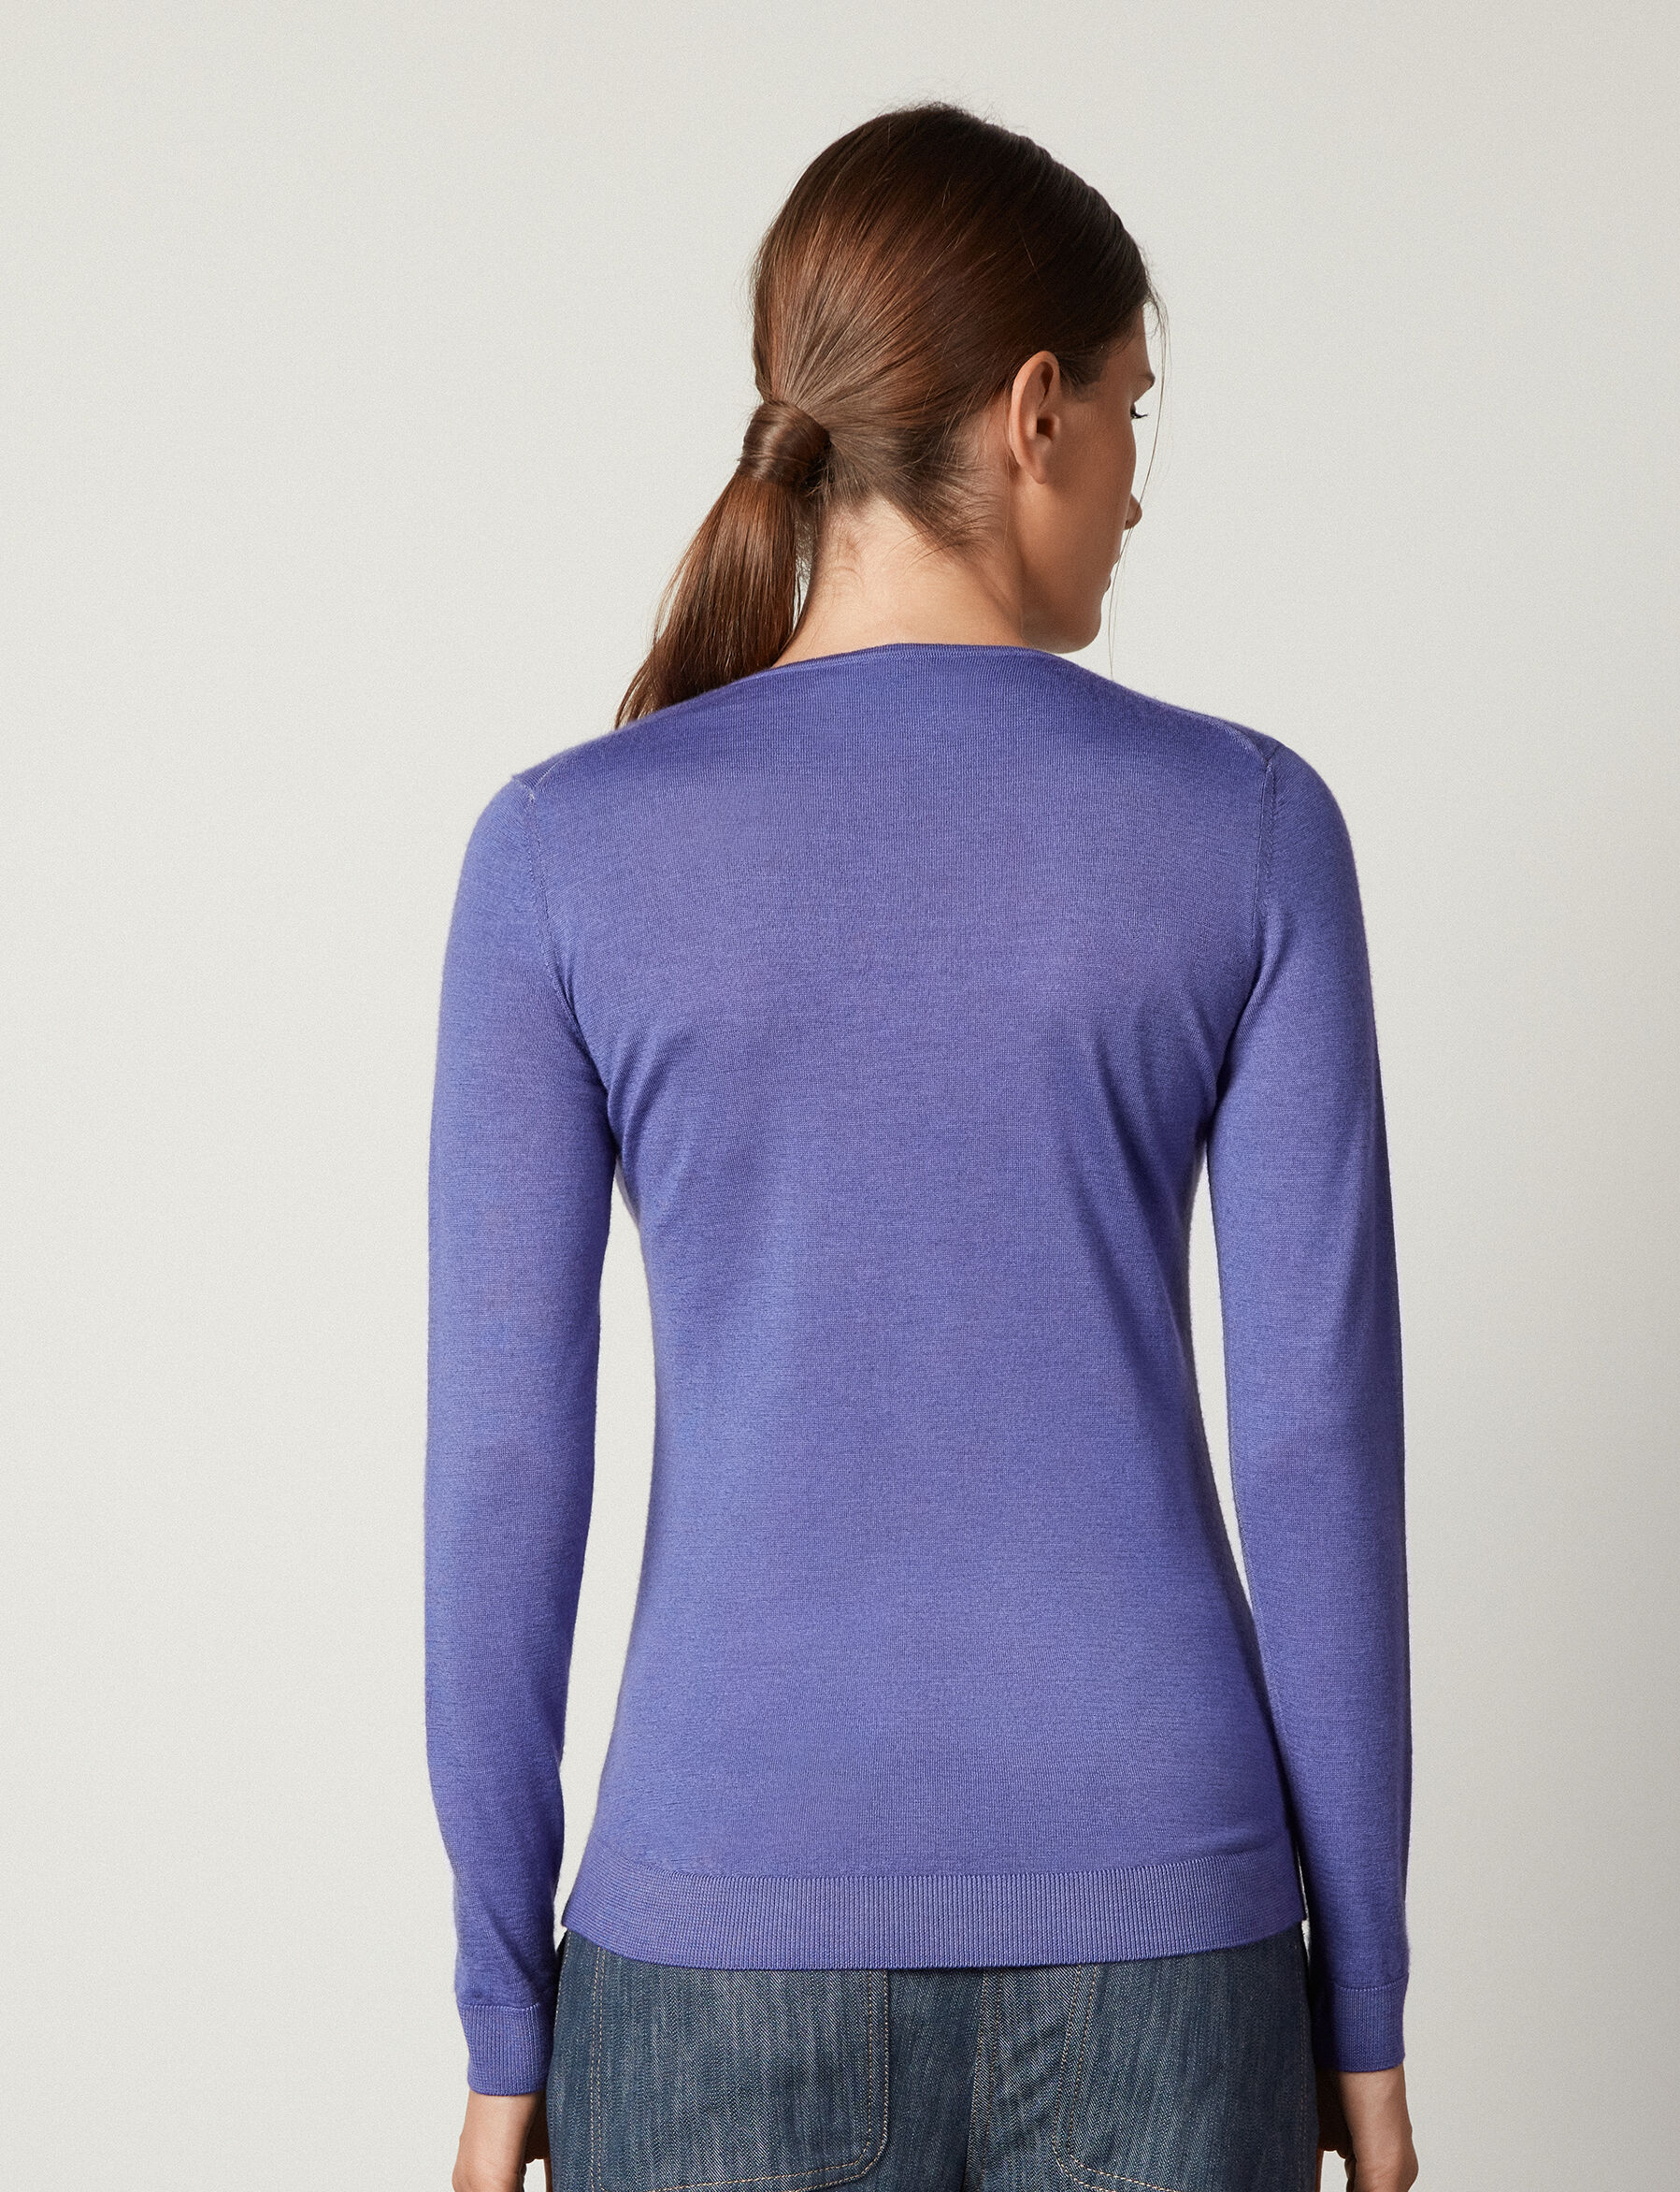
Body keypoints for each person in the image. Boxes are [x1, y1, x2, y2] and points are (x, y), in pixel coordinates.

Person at [425, 100, 1417, 2192]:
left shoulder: (560, 853)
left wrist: (505, 2003)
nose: (1139, 483)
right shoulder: (1249, 830)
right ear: (1035, 412)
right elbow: (1318, 1438)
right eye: (1134, 410)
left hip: (709, 1943)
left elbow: (508, 1455)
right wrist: (1364, 2001)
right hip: (1166, 1938)